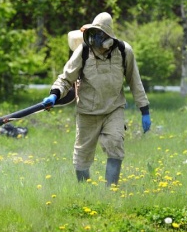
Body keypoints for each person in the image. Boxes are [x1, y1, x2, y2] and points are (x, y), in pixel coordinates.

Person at [42, 12, 151, 187]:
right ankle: (85, 191)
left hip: (113, 109)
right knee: (82, 155)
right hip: (87, 111)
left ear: (108, 35)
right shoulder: (84, 50)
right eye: (93, 33)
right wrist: (54, 94)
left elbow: (134, 81)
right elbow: (66, 78)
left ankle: (111, 190)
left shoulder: (124, 51)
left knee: (115, 144)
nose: (95, 38)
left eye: (99, 34)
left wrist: (144, 109)